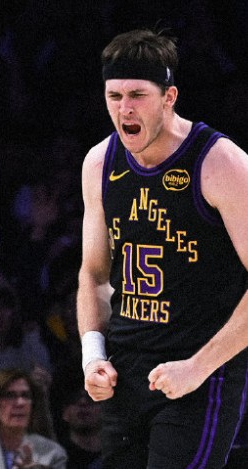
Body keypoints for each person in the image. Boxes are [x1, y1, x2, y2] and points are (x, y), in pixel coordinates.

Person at [77, 28, 248, 468]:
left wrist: (198, 367)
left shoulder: (221, 162)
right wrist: (93, 357)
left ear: (169, 96)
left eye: (138, 95)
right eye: (114, 96)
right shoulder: (99, 162)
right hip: (125, 370)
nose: (125, 108)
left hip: (200, 371)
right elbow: (93, 274)